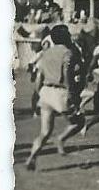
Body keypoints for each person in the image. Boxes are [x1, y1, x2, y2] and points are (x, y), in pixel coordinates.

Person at [24, 25, 85, 171]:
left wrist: (38, 92)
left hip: (45, 92)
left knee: (45, 132)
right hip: (60, 92)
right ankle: (61, 139)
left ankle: (32, 157)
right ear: (66, 36)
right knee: (79, 122)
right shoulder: (67, 53)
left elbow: (40, 75)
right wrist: (71, 93)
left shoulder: (46, 53)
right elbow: (67, 74)